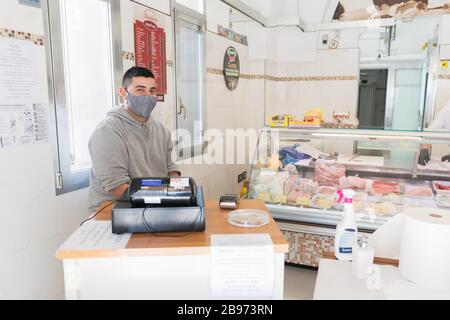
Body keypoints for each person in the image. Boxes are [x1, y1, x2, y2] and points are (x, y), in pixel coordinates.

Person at [88, 67, 180, 211]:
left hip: (154, 205)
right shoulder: (108, 130)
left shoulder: (162, 130)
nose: (148, 96)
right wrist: (163, 197)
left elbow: (172, 170)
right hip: (114, 211)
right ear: (123, 93)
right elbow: (118, 188)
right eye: (140, 89)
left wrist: (179, 195)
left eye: (152, 91)